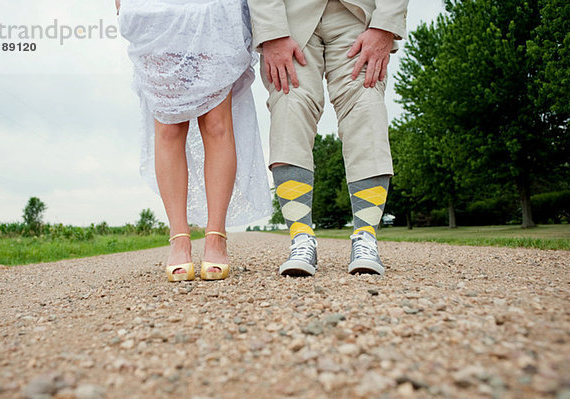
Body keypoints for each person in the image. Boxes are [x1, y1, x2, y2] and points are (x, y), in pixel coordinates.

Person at [248, 0, 409, 276]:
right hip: (289, 16)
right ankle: (300, 238)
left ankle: (366, 236)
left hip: (359, 14)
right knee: (289, 106)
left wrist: (385, 25)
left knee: (366, 105)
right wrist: (271, 30)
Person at [117, 0, 272, 281]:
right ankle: (179, 238)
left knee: (216, 124)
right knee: (169, 124)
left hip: (213, 8)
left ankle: (216, 236)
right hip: (157, 10)